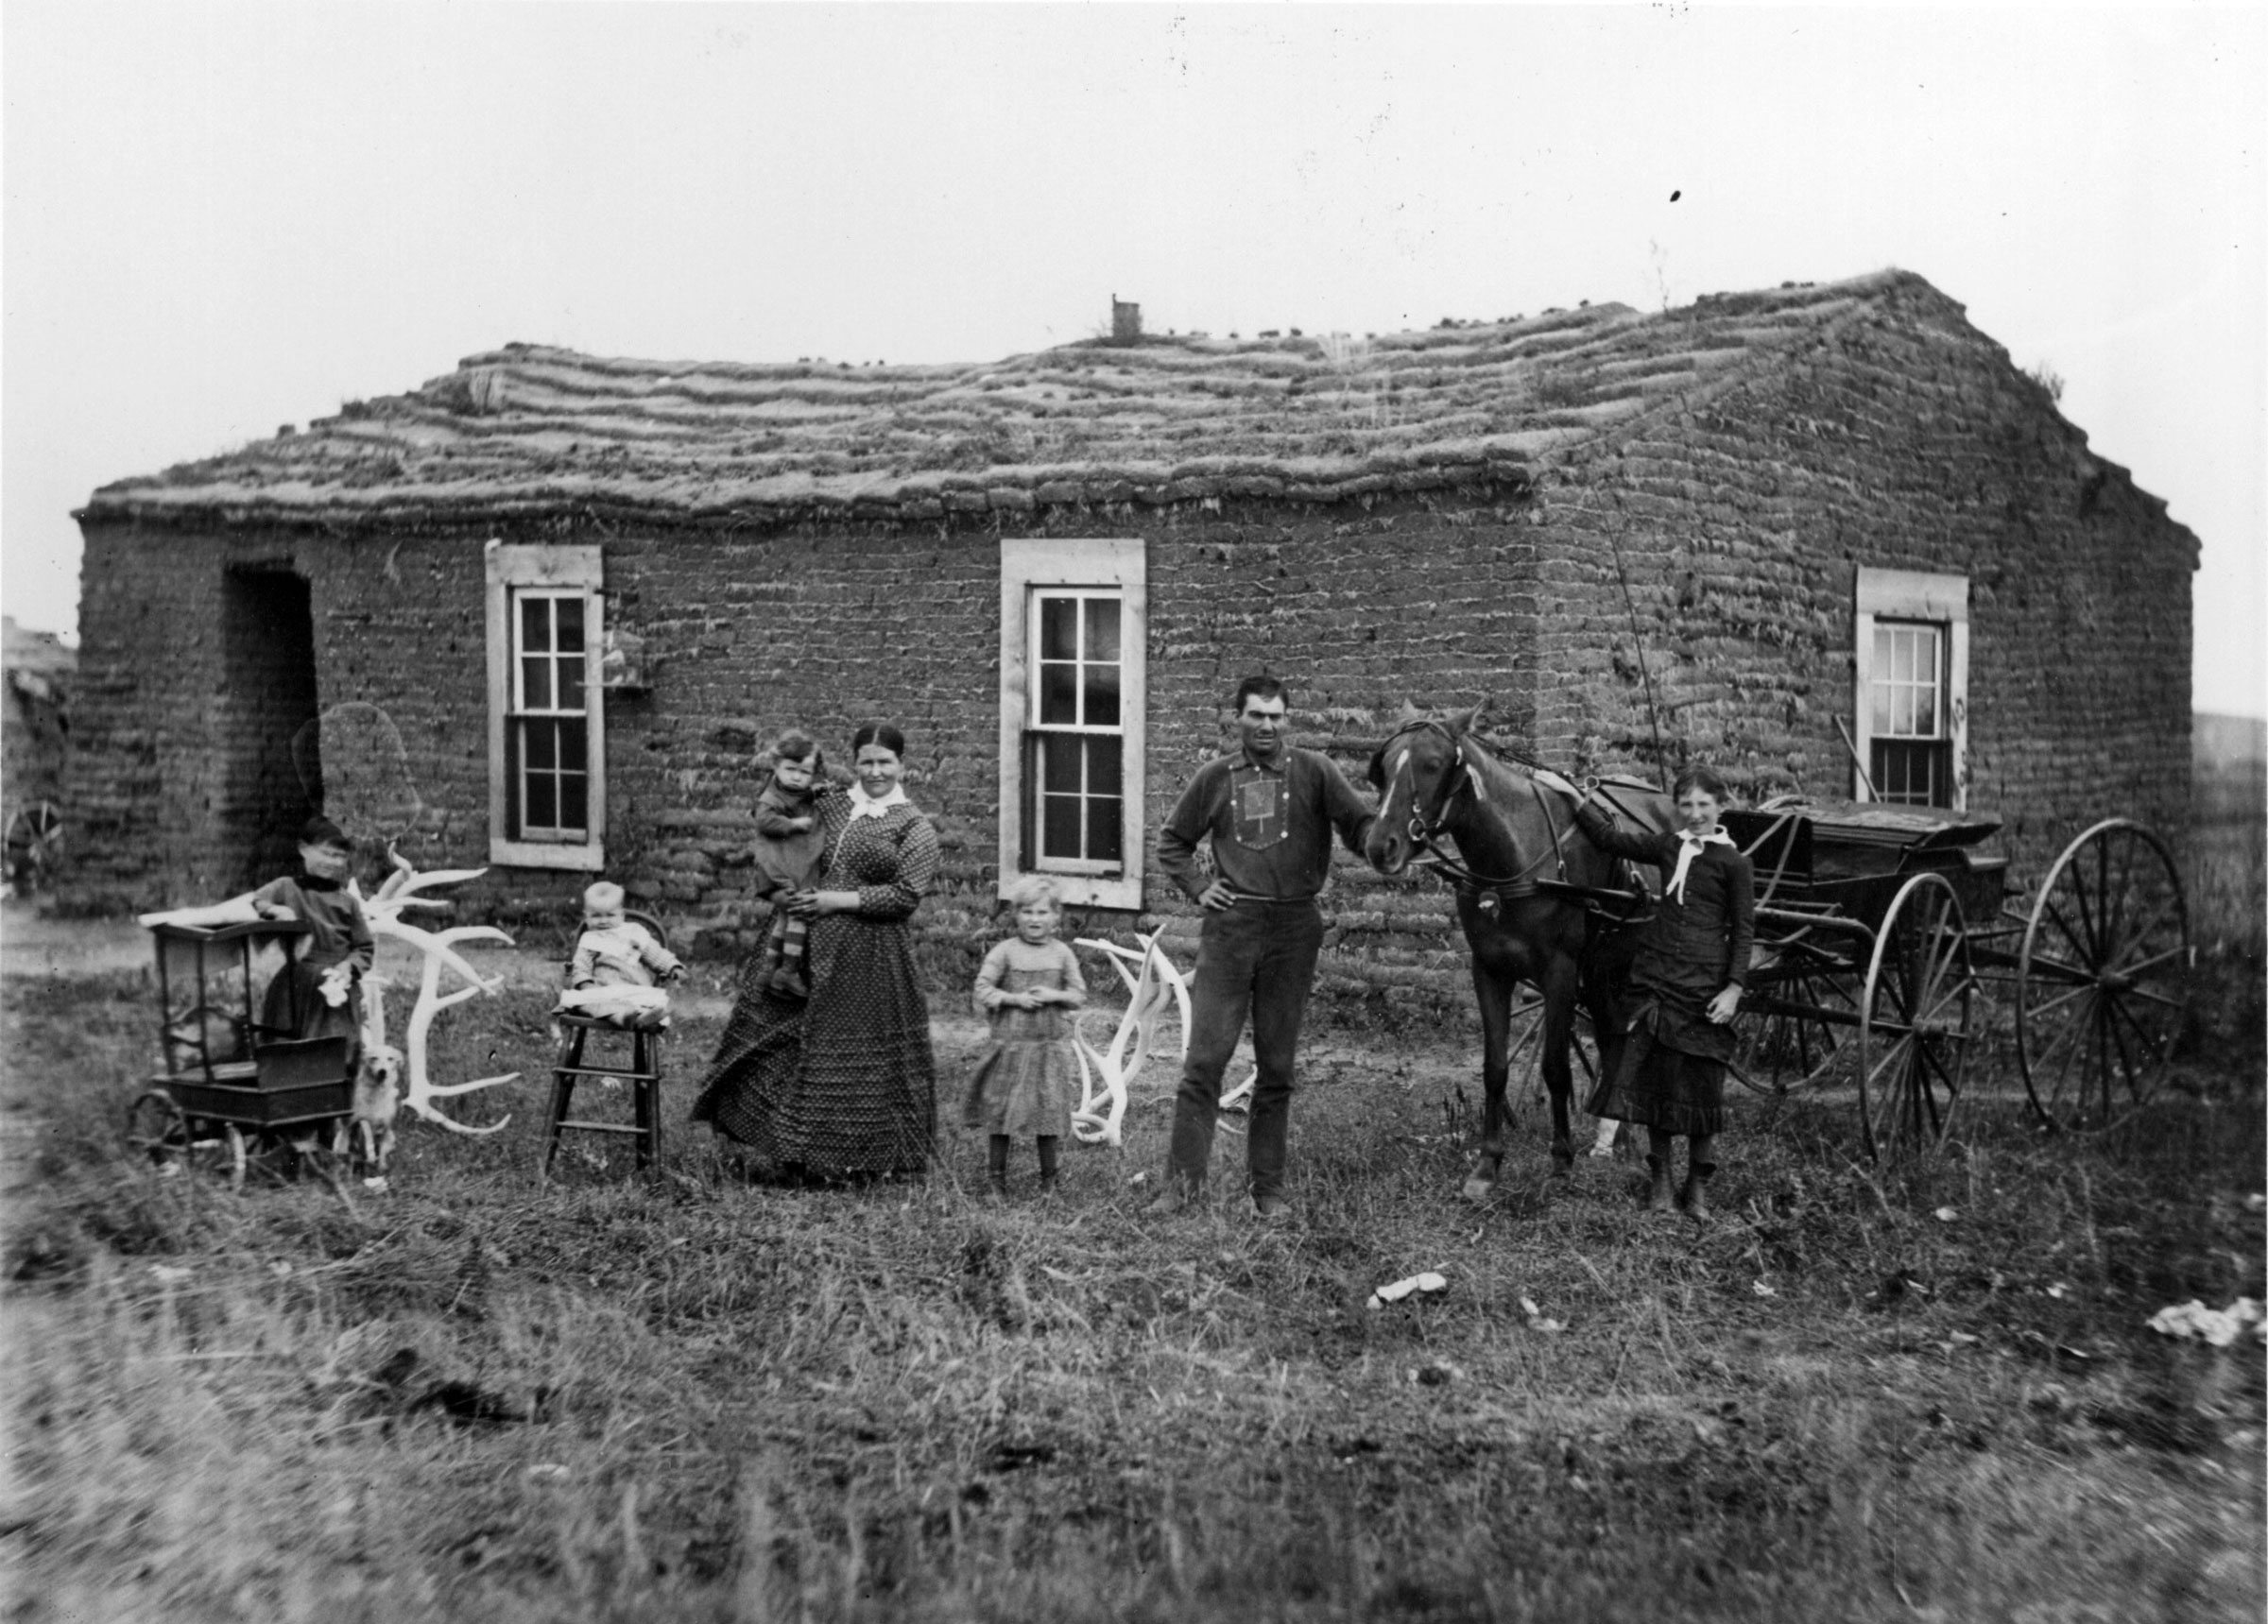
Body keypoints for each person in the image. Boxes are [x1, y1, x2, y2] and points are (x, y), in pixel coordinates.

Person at [1146, 675, 1377, 1220]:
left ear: (1287, 719)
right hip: (1231, 930)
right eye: (1256, 716)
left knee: (1276, 1067)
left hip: (1295, 931)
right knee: (1205, 1061)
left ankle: (1267, 1190)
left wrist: (1380, 837)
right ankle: (1181, 1188)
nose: (1266, 726)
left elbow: (1359, 823)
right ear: (1237, 720)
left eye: (1276, 716)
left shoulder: (1317, 772)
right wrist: (1201, 887)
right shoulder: (1215, 777)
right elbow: (1172, 842)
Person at [690, 721, 941, 1180]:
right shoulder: (829, 802)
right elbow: (774, 805)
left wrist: (836, 900)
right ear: (854, 762)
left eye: (885, 762)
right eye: (866, 761)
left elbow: (905, 896)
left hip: (868, 954)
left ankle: (854, 1158)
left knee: (849, 1054)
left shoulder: (915, 827)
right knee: (774, 1036)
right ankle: (786, 1149)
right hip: (800, 940)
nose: (875, 770)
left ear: (904, 765)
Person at [1560, 764, 1754, 1220]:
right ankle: (1662, 1180)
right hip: (1659, 977)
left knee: (1702, 1085)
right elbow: (1610, 839)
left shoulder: (1734, 863)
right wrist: (1571, 794)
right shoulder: (1669, 846)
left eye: (1704, 805)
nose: (1695, 813)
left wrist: (1733, 988)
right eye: (1686, 805)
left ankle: (1698, 1187)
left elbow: (1744, 931)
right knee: (1657, 1082)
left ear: (1720, 806)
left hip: (1704, 983)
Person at [964, 875, 1088, 1199]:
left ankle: (1049, 1183)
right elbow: (982, 989)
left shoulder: (1061, 954)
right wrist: (1013, 999)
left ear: (1056, 916)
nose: (1035, 920)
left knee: (1047, 1115)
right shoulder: (1005, 952)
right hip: (1010, 1048)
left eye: (1042, 913)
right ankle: (996, 1183)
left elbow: (1077, 995)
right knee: (1001, 1115)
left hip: (1046, 1048)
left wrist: (1051, 994)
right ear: (1016, 914)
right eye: (1028, 912)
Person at [249, 815, 374, 1057]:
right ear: (303, 849)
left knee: (336, 1048)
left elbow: (364, 947)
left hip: (335, 986)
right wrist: (275, 909)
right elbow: (255, 900)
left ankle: (335, 1090)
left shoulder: (348, 902)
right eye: (326, 853)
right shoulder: (286, 887)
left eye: (340, 856)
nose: (333, 862)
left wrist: (349, 966)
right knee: (286, 1044)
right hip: (296, 983)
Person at [748, 729, 837, 999]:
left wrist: (821, 788)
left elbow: (812, 792)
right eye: (791, 770)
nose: (798, 777)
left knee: (785, 918)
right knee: (799, 912)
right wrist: (792, 824)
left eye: (805, 772)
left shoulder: (798, 790)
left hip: (794, 864)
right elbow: (763, 821)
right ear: (776, 766)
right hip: (779, 868)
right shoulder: (771, 796)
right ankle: (788, 970)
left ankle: (769, 969)